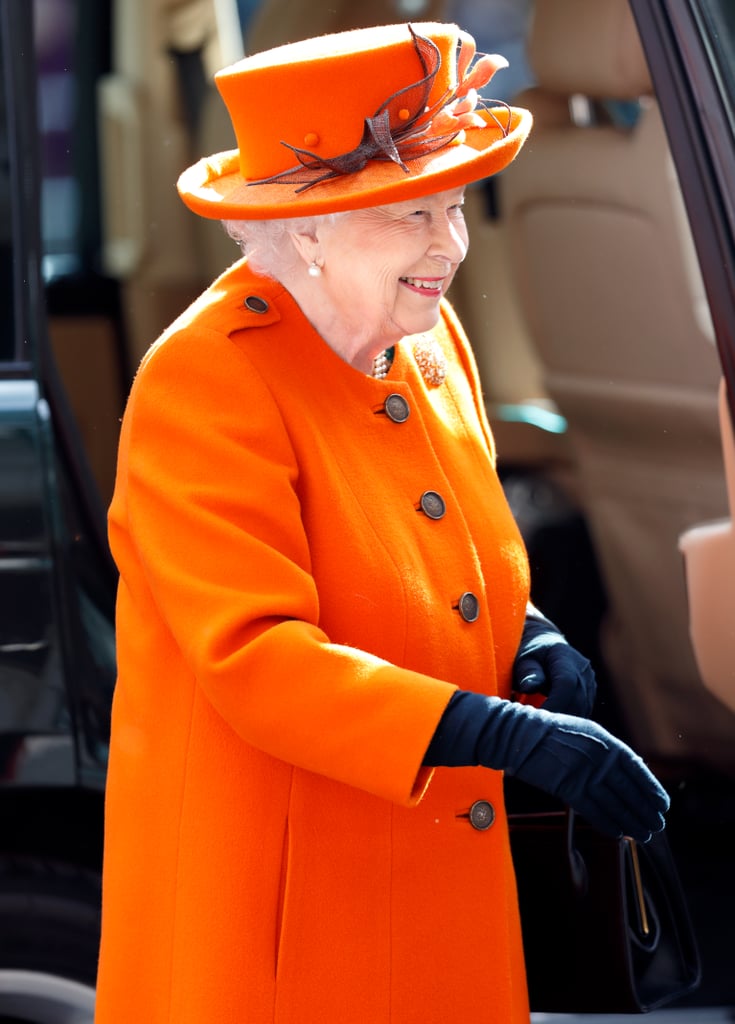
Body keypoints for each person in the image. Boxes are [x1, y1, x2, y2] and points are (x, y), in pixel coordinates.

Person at [94, 22, 669, 1024]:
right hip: (288, 942)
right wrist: (504, 734)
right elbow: (258, 659)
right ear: (305, 228)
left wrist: (533, 643)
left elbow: (456, 559)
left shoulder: (426, 339)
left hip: (437, 897)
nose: (449, 246)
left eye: (453, 207)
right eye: (410, 214)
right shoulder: (208, 380)